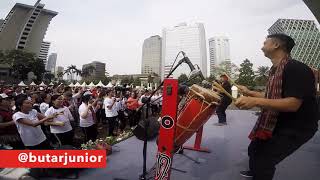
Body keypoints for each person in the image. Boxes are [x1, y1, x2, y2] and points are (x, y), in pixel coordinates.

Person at [235, 33, 318, 180]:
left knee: (264, 160)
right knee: (254, 149)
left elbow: (292, 104)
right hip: (278, 122)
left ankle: (259, 172)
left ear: (276, 45)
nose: (262, 46)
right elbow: (273, 98)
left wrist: (254, 102)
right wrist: (250, 93)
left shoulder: (295, 68)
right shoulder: (274, 71)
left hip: (297, 127)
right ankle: (256, 172)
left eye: (265, 42)